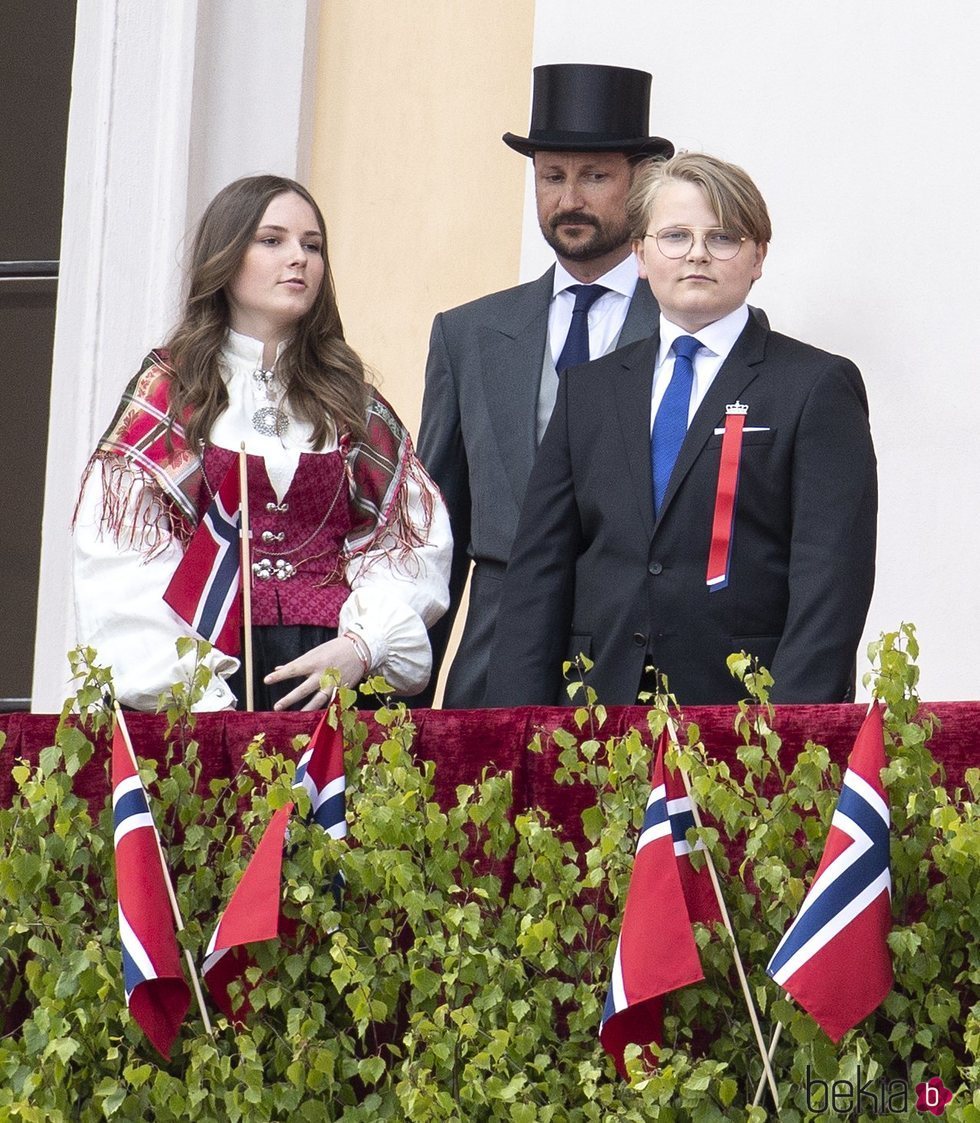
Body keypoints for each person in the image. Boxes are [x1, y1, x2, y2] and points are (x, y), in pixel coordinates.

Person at [484, 153, 877, 707]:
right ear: (641, 253)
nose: (696, 253)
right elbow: (539, 574)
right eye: (675, 236)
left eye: (722, 237)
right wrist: (517, 727)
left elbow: (831, 576)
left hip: (744, 713)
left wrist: (792, 728)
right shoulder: (588, 391)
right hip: (596, 716)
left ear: (758, 255)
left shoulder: (815, 386)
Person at [74, 175, 451, 712]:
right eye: (272, 240)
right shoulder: (172, 396)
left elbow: (409, 546)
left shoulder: (352, 406)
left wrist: (361, 647)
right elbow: (121, 557)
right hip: (205, 684)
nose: (298, 257)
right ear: (225, 259)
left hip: (331, 689)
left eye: (312, 245)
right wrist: (197, 693)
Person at [416, 63, 674, 708]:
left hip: (636, 651)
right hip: (496, 650)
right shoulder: (468, 333)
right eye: (552, 176)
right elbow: (437, 531)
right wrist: (405, 705)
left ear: (639, 184)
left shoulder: (686, 328)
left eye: (593, 176)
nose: (569, 199)